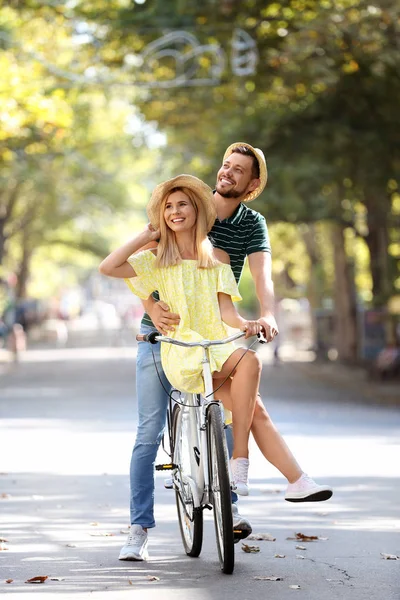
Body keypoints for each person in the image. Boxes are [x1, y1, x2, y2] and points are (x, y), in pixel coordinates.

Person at [100, 144, 333, 562]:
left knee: (240, 406)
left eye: (239, 170)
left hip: (214, 337)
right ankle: (139, 528)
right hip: (163, 339)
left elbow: (256, 281)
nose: (228, 173)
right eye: (226, 165)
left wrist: (260, 317)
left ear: (252, 184)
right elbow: (126, 266)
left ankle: (236, 492)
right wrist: (151, 302)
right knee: (147, 433)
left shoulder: (240, 235)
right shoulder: (182, 207)